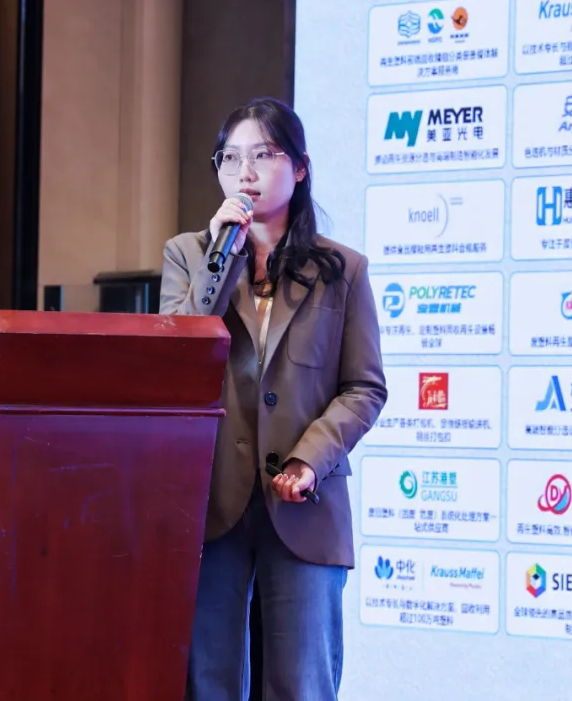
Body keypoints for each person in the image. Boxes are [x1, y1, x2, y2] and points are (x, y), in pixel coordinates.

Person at [159, 97, 387, 701]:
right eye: (231, 158)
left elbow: (364, 386)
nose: (246, 173)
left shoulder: (344, 270)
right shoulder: (188, 255)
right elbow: (178, 354)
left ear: (301, 167)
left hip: (304, 502)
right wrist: (221, 254)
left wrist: (312, 458)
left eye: (263, 155)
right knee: (208, 682)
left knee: (302, 684)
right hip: (211, 500)